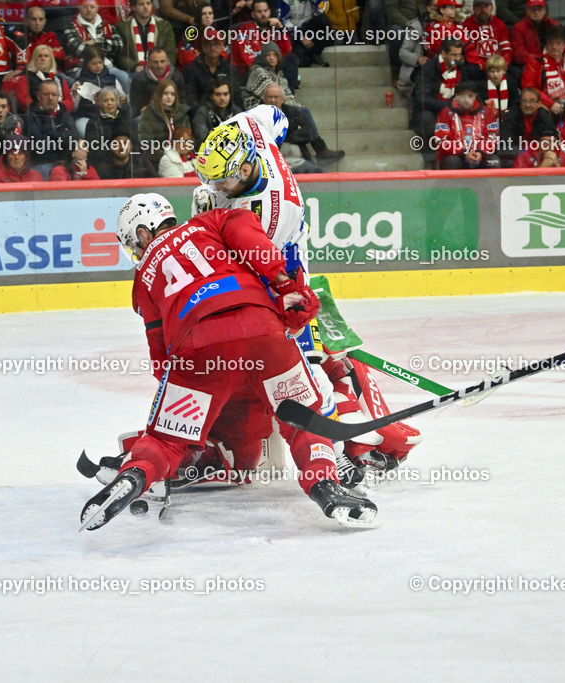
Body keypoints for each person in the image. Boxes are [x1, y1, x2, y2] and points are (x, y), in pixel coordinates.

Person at [80, 193, 379, 531]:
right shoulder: (210, 221)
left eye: (134, 242)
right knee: (303, 422)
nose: (136, 250)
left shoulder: (143, 277)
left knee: (166, 440)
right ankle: (323, 483)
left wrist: (185, 406)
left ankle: (137, 474)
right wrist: (284, 283)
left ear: (145, 233)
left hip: (197, 349)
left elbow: (159, 353)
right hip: (262, 329)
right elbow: (251, 240)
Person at [194, 114, 422, 481]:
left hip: (288, 285)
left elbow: (252, 275)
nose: (218, 187)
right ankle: (373, 434)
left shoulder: (264, 215)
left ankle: (355, 445)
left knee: (302, 370)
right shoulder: (250, 132)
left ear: (247, 166)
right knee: (328, 360)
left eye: (224, 180)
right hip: (291, 272)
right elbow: (275, 116)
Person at [62, 0, 130, 95]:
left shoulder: (107, 25)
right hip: (80, 68)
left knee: (124, 77)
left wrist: (94, 42)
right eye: (85, 7)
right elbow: (79, 49)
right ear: (79, 8)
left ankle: (125, 107)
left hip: (107, 67)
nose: (89, 10)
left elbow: (118, 45)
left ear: (97, 8)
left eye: (92, 7)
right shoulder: (70, 28)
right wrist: (105, 46)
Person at [433, 82, 500, 168]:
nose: (466, 100)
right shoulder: (446, 113)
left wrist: (480, 152)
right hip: (456, 156)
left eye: (470, 96)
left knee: (493, 161)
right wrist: (463, 152)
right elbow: (441, 140)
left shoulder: (486, 112)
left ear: (475, 96)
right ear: (456, 97)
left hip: (480, 155)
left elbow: (493, 137)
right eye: (462, 96)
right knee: (451, 162)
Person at [25, 80, 79, 176]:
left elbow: (74, 137)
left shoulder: (65, 115)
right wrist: (63, 137)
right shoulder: (31, 116)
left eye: (54, 95)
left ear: (58, 97)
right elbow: (39, 144)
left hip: (66, 162)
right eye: (46, 94)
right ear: (38, 96)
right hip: (42, 163)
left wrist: (51, 135)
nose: (50, 98)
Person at [138, 78, 191, 164]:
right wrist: (166, 158)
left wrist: (181, 156)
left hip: (182, 159)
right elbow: (146, 144)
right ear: (158, 95)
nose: (169, 97)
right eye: (165, 93)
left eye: (172, 94)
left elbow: (189, 140)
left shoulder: (182, 113)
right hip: (156, 162)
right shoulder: (148, 114)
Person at [116, 0, 177, 74]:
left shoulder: (164, 26)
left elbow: (171, 52)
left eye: (148, 3)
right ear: (133, 7)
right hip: (134, 71)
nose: (145, 7)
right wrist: (135, 66)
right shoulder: (123, 27)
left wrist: (159, 65)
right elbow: (120, 56)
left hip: (160, 69)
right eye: (141, 4)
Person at [462, 0, 513, 83]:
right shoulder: (467, 25)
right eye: (479, 6)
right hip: (479, 67)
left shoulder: (500, 24)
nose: (482, 9)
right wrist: (485, 66)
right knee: (469, 70)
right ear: (473, 8)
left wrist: (503, 65)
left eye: (486, 6)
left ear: (492, 7)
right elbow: (469, 50)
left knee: (514, 72)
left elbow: (506, 49)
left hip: (498, 65)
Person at [128, 48, 186, 118]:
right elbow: (135, 106)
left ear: (167, 61)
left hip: (172, 115)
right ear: (148, 63)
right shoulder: (140, 79)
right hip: (148, 116)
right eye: (155, 62)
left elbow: (183, 103)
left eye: (162, 61)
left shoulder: (177, 77)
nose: (159, 65)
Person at [192, 76, 243, 144]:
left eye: (225, 94)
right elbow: (203, 140)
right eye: (217, 94)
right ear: (211, 96)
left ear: (230, 95)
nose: (222, 98)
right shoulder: (202, 114)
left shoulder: (237, 112)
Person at [510, 0, 558, 68]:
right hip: (530, 65)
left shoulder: (554, 25)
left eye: (540, 9)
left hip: (552, 61)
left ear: (545, 10)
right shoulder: (518, 28)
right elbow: (519, 55)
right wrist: (540, 59)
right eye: (533, 9)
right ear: (527, 10)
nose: (537, 12)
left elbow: (564, 46)